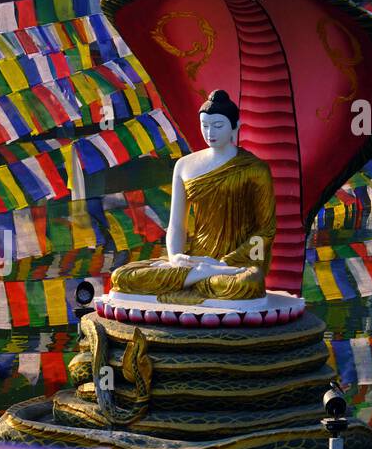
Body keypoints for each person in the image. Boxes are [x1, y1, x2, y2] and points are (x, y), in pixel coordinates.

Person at [109, 90, 275, 303]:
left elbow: (266, 230)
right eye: (204, 126)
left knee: (246, 283)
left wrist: (224, 264)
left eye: (217, 126)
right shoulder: (185, 165)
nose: (209, 133)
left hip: (235, 265)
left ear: (235, 126)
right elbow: (177, 225)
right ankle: (198, 275)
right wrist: (176, 256)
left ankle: (198, 276)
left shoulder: (255, 169)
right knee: (122, 277)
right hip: (196, 259)